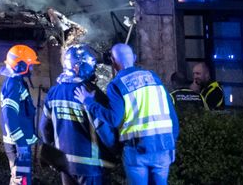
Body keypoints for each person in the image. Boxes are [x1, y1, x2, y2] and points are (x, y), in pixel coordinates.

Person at [76, 43, 178, 185]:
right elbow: (172, 115)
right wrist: (172, 144)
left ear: (112, 61)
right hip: (163, 147)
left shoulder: (117, 84)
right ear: (134, 58)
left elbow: (114, 119)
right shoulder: (154, 78)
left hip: (137, 150)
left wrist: (88, 102)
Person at [39, 44, 118, 185]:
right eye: (90, 65)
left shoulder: (53, 92)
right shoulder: (91, 93)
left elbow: (44, 127)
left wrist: (52, 153)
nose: (93, 69)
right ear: (78, 67)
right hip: (90, 165)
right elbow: (104, 129)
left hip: (65, 163)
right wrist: (115, 150)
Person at [1, 44, 41, 185]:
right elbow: (9, 116)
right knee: (22, 181)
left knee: (21, 180)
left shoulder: (16, 82)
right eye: (30, 65)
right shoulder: (13, 84)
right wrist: (21, 143)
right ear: (20, 65)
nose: (31, 68)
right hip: (18, 145)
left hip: (20, 143)